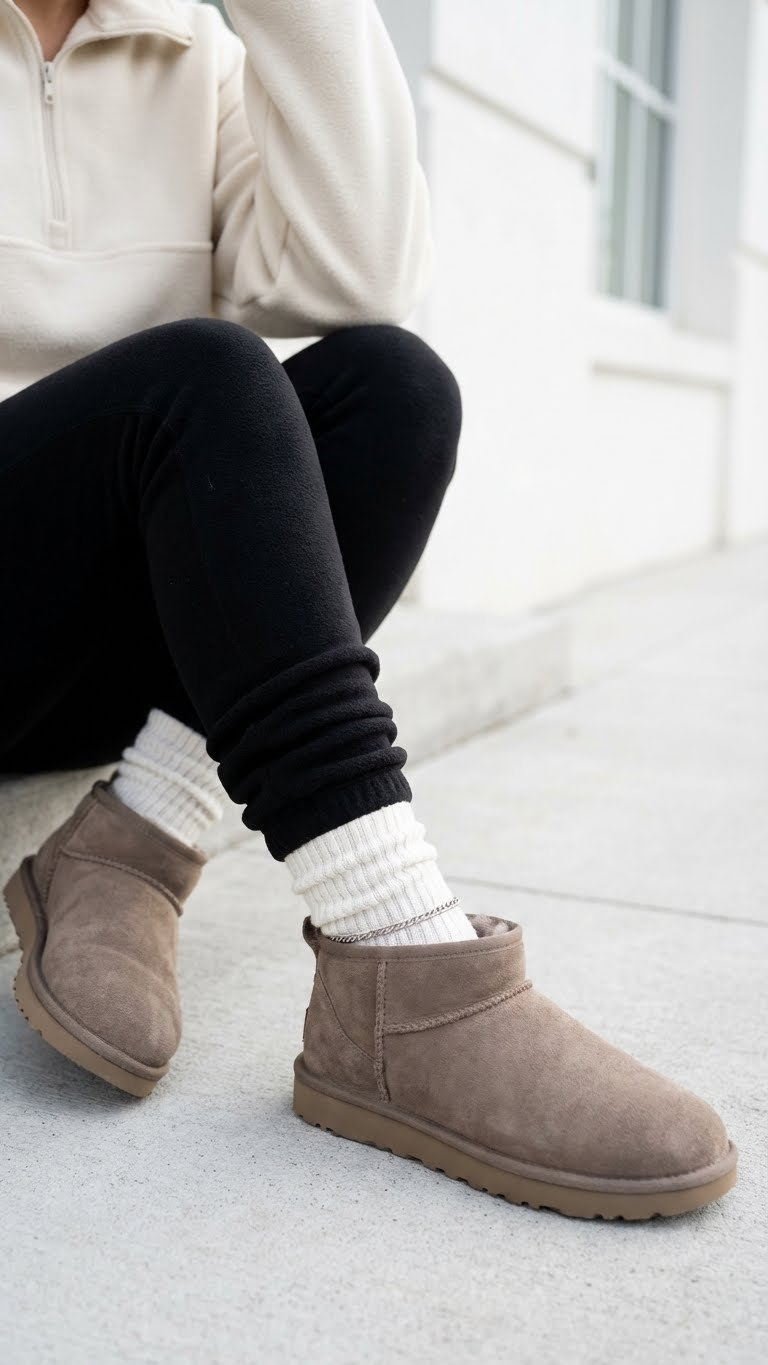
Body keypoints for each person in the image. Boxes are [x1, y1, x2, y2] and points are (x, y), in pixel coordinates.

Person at [0, 0, 736, 1220]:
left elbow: (360, 274)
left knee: (395, 387)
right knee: (203, 370)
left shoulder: (191, 48)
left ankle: (136, 834)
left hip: (85, 633)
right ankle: (400, 953)